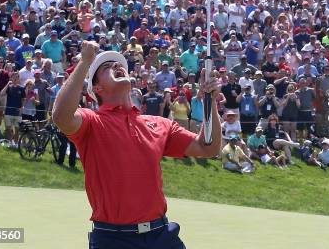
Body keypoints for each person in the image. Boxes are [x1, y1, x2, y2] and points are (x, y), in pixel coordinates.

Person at [52, 41, 221, 249]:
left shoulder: (159, 124)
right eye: (107, 67)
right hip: (113, 239)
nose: (116, 66)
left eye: (119, 64)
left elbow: (208, 148)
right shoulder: (91, 121)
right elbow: (61, 117)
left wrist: (210, 102)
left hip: (161, 235)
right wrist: (86, 61)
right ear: (97, 88)